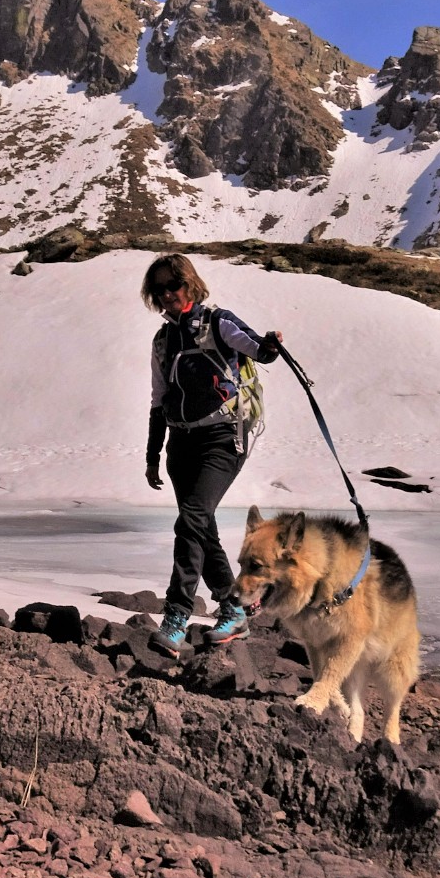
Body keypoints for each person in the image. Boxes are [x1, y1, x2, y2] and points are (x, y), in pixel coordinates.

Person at [142, 253, 282, 657]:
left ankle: (176, 614)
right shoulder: (163, 340)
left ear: (191, 283)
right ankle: (234, 610)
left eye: (174, 285)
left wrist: (270, 345)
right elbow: (158, 399)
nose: (167, 294)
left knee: (191, 521)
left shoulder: (219, 322)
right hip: (179, 444)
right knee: (201, 528)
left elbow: (258, 349)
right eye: (159, 289)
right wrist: (153, 455)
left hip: (222, 439)